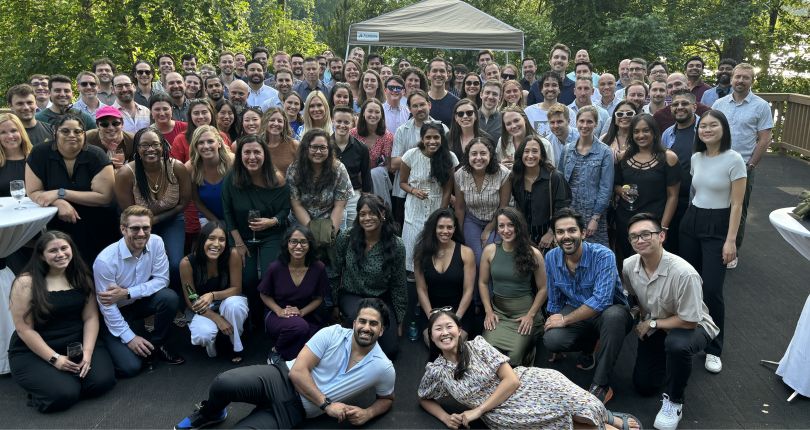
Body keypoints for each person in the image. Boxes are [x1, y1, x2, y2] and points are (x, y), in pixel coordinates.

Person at [175, 298, 395, 430]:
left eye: (373, 324)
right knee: (223, 382)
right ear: (355, 322)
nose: (366, 327)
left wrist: (368, 414)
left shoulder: (382, 367)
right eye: (363, 321)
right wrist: (327, 405)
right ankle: (212, 413)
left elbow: (386, 398)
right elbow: (298, 373)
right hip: (279, 378)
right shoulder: (333, 333)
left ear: (382, 330)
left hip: (295, 410)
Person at [418, 310, 640, 430]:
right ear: (431, 336)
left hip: (523, 384)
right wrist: (446, 418)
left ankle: (607, 417)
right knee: (561, 422)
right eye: (438, 329)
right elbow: (424, 398)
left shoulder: (477, 345)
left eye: (449, 326)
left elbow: (511, 380)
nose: (445, 332)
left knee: (570, 400)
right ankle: (606, 425)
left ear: (459, 330)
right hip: (501, 413)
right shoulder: (436, 371)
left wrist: (477, 411)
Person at [622, 212, 719, 430]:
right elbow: (632, 296)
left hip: (692, 324)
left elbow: (690, 321)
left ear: (661, 236)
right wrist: (638, 314)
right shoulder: (629, 265)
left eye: (646, 234)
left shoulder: (685, 273)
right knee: (644, 386)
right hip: (657, 322)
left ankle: (675, 401)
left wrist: (652, 324)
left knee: (677, 345)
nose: (640, 240)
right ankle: (674, 365)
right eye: (634, 236)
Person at [8, 231, 116, 412]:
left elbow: (90, 318)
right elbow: (24, 330)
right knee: (64, 395)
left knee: (101, 383)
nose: (60, 254)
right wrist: (55, 359)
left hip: (76, 343)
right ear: (42, 255)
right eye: (53, 251)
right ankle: (51, 386)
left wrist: (88, 354)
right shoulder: (26, 282)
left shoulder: (81, 277)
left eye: (64, 248)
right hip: (36, 349)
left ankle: (66, 379)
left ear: (71, 250)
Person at [679, 110, 746, 375]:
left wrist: (731, 241)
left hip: (719, 226)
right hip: (692, 222)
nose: (707, 130)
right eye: (703, 126)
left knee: (713, 289)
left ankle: (714, 348)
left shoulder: (735, 159)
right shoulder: (697, 157)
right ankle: (688, 331)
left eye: (713, 125)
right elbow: (697, 191)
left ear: (723, 128)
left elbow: (737, 204)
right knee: (688, 282)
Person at [543, 207, 632, 404]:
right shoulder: (551, 257)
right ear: (555, 236)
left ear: (582, 233)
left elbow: (601, 300)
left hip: (608, 311)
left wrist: (565, 320)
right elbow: (555, 297)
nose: (566, 236)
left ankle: (601, 383)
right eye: (560, 232)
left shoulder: (603, 255)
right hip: (576, 309)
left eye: (572, 230)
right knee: (552, 339)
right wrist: (555, 319)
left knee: (614, 317)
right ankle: (591, 344)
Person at [93, 205, 185, 376]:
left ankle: (157, 344)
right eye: (135, 228)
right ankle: (109, 342)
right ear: (123, 229)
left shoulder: (156, 242)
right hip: (115, 311)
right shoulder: (105, 261)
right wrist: (130, 338)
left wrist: (128, 292)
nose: (142, 233)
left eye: (146, 228)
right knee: (131, 367)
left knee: (170, 298)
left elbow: (162, 280)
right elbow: (107, 306)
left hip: (138, 302)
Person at [25, 114, 117, 261]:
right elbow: (34, 192)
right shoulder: (39, 153)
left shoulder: (96, 156)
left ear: (84, 134)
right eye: (65, 131)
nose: (72, 135)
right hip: (57, 221)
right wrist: (58, 202)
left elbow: (104, 197)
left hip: (96, 221)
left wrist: (61, 193)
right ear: (55, 133)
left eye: (78, 131)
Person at [222, 134, 290, 327]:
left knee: (270, 273)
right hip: (242, 235)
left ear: (265, 155)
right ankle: (252, 316)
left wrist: (272, 221)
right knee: (248, 276)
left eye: (257, 152)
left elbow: (286, 209)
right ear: (240, 155)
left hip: (271, 234)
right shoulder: (232, 179)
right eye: (247, 152)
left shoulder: (276, 179)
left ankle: (271, 316)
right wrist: (239, 244)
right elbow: (227, 213)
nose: (252, 157)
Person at [710, 63, 773, 265]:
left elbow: (764, 139)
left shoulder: (761, 106)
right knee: (716, 207)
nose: (740, 81)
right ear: (732, 78)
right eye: (738, 77)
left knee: (739, 209)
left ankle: (732, 251)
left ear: (752, 81)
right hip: (718, 164)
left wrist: (751, 165)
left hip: (744, 168)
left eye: (746, 77)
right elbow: (709, 132)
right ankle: (715, 246)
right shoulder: (719, 104)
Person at [114, 126, 192, 288]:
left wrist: (155, 219)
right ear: (137, 148)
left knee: (176, 263)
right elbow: (129, 214)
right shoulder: (126, 174)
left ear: (163, 145)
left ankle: (178, 298)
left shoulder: (176, 167)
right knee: (144, 265)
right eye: (144, 145)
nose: (151, 149)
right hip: (138, 226)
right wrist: (147, 224)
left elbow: (183, 203)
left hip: (172, 219)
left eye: (155, 144)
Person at [333, 194, 406, 359]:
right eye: (362, 214)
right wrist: (334, 305)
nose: (367, 218)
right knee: (358, 320)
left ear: (383, 214)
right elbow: (335, 273)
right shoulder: (346, 238)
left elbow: (399, 283)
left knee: (390, 349)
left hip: (381, 298)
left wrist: (399, 320)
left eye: (372, 213)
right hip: (352, 294)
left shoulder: (396, 245)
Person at [478, 208, 546, 366]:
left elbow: (543, 288)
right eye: (501, 226)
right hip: (499, 314)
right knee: (487, 354)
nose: (506, 230)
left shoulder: (534, 253)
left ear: (518, 226)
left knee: (513, 358)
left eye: (510, 225)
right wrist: (488, 311)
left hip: (523, 315)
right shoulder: (489, 251)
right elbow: (482, 282)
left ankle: (529, 349)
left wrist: (530, 315)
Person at [613, 114, 680, 260]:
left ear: (654, 132)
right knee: (629, 265)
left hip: (654, 223)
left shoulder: (668, 157)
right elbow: (616, 185)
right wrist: (621, 190)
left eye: (646, 130)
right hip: (626, 220)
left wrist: (664, 227)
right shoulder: (622, 157)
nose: (640, 135)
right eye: (636, 131)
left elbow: (673, 196)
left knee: (653, 265)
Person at [180, 221, 248, 363]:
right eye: (211, 238)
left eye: (222, 239)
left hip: (227, 301)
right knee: (203, 335)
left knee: (235, 306)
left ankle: (235, 343)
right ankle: (212, 345)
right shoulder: (187, 263)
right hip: (201, 308)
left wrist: (212, 295)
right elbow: (192, 299)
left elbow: (237, 288)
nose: (216, 244)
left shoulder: (232, 254)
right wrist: (217, 318)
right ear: (202, 240)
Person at [260, 226, 327, 363]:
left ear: (310, 245)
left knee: (315, 341)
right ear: (287, 244)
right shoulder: (275, 267)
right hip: (276, 315)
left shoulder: (318, 267)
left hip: (306, 315)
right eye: (293, 241)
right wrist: (279, 311)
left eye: (303, 242)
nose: (298, 246)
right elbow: (264, 294)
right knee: (299, 327)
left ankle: (289, 359)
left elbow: (319, 298)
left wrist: (301, 312)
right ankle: (275, 352)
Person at [400, 122, 458, 273]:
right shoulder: (411, 155)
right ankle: (412, 278)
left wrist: (441, 213)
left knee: (434, 246)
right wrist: (413, 190)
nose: (432, 141)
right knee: (412, 246)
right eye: (428, 137)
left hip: (437, 205)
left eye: (436, 137)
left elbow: (447, 190)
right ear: (422, 139)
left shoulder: (449, 157)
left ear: (441, 138)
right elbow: (402, 183)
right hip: (414, 207)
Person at [414, 209, 476, 335]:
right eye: (441, 227)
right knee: (435, 342)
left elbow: (468, 291)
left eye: (449, 227)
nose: (445, 231)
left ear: (454, 229)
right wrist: (431, 316)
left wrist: (456, 319)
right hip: (432, 309)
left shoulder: (466, 253)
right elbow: (421, 289)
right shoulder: (421, 253)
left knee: (454, 341)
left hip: (459, 310)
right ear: (433, 228)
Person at [559, 107, 614, 247]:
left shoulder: (604, 152)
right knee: (571, 250)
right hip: (570, 211)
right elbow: (560, 183)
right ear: (575, 123)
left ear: (596, 124)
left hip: (593, 213)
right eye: (581, 121)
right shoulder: (567, 150)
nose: (584, 125)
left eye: (589, 121)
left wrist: (596, 217)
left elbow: (606, 188)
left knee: (595, 252)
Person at [454, 137, 510, 268]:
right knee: (475, 260)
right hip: (472, 220)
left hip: (497, 221)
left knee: (490, 260)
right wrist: (460, 234)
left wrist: (489, 229)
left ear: (490, 154)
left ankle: (490, 289)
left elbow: (503, 207)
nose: (478, 157)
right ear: (468, 156)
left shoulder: (503, 174)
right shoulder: (460, 175)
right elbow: (460, 207)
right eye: (474, 154)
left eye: (483, 153)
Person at [511, 136, 571, 249]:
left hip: (548, 236)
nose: (530, 155)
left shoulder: (554, 177)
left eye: (535, 151)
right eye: (526, 151)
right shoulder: (516, 178)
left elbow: (562, 209)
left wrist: (551, 233)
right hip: (524, 236)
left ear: (542, 155)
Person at [332, 107, 372, 227]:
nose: (342, 125)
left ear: (352, 123)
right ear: (332, 121)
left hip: (352, 196)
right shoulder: (325, 146)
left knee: (352, 231)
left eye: (346, 122)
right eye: (339, 121)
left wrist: (365, 201)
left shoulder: (362, 148)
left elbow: (366, 176)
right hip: (330, 195)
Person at [349, 100, 394, 207]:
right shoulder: (353, 133)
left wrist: (370, 176)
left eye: (377, 112)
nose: (373, 115)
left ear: (382, 115)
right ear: (363, 113)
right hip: (354, 179)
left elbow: (389, 165)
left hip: (376, 178)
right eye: (370, 111)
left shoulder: (387, 136)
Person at [186, 125, 233, 224]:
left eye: (210, 141)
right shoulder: (191, 168)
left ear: (219, 143)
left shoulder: (232, 162)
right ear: (196, 146)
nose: (206, 146)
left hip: (235, 216)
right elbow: (197, 201)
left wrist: (231, 226)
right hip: (208, 218)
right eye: (201, 143)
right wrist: (217, 224)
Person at [498, 106, 552, 170]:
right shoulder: (503, 141)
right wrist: (501, 167)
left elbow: (550, 172)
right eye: (508, 124)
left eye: (516, 121)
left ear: (525, 119)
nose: (513, 126)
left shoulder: (544, 143)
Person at [85, 106, 134, 171]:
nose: (111, 128)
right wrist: (105, 164)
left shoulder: (132, 140)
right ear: (97, 125)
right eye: (105, 124)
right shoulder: (86, 138)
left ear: (122, 124)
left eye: (115, 123)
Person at [0, 113, 33, 197]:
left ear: (21, 132)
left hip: (35, 209)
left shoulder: (36, 158)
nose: (10, 136)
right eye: (3, 132)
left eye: (13, 130)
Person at [261, 107, 299, 176]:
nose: (276, 124)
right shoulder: (258, 145)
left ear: (284, 124)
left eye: (280, 121)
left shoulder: (294, 145)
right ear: (265, 122)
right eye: (272, 120)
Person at [427, 57, 460, 128]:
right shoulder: (421, 101)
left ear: (447, 75)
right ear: (428, 75)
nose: (438, 74)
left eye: (442, 71)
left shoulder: (456, 103)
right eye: (435, 71)